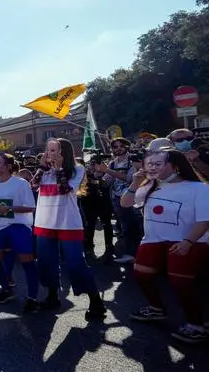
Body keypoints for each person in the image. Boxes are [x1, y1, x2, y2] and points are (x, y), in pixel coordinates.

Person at [121, 149, 209, 343]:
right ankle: (156, 309)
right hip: (154, 240)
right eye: (149, 163)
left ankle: (197, 324)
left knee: (181, 283)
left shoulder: (199, 188)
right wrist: (135, 183)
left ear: (175, 167)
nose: (151, 167)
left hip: (188, 241)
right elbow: (126, 203)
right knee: (141, 274)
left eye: (157, 164)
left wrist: (188, 242)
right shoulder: (149, 186)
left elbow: (204, 221)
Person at [32, 138, 106, 320]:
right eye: (48, 150)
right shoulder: (44, 171)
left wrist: (58, 169)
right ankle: (52, 296)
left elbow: (65, 189)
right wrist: (42, 168)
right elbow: (33, 186)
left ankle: (96, 301)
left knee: (76, 263)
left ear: (64, 152)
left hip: (67, 222)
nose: (50, 154)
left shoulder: (77, 169)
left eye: (54, 150)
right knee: (46, 262)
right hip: (44, 222)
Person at [0, 154, 41, 311]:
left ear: (7, 166)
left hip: (19, 225)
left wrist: (9, 208)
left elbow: (31, 207)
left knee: (27, 261)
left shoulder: (21, 183)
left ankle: (32, 298)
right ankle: (6, 289)